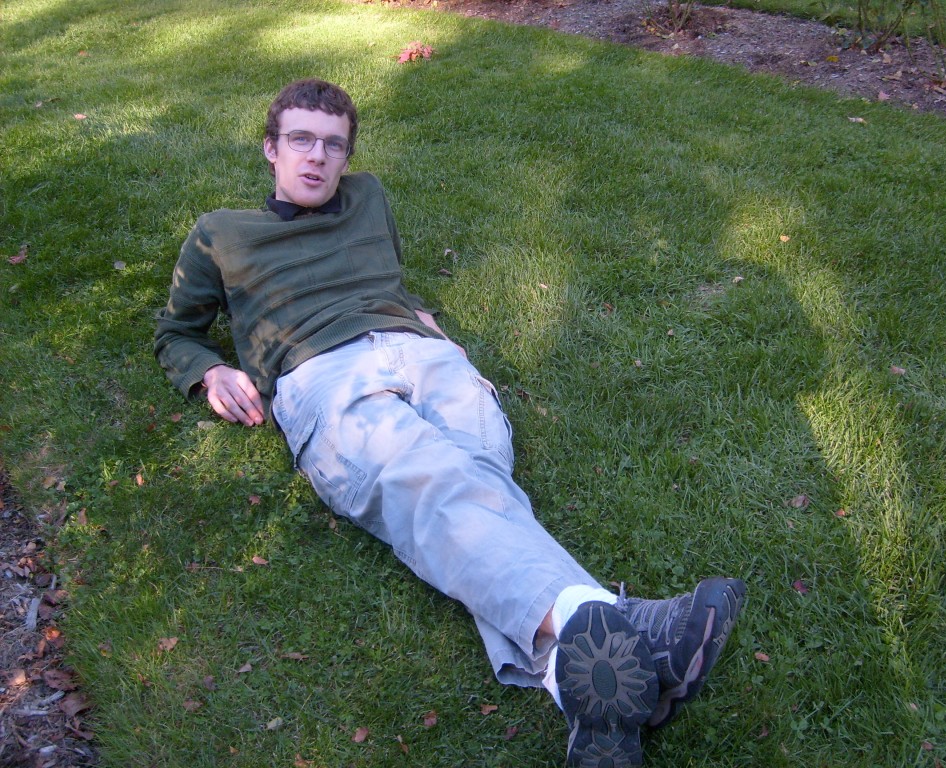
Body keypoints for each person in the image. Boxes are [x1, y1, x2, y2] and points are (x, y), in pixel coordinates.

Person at [154, 78, 745, 767]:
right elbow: (175, 330)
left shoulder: (369, 198)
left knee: (473, 477)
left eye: (333, 145)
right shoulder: (222, 234)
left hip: (423, 354)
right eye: (300, 141)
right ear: (270, 149)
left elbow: (387, 281)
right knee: (436, 481)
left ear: (348, 156)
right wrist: (209, 371)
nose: (316, 157)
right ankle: (616, 623)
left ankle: (587, 693)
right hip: (323, 373)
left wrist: (430, 329)